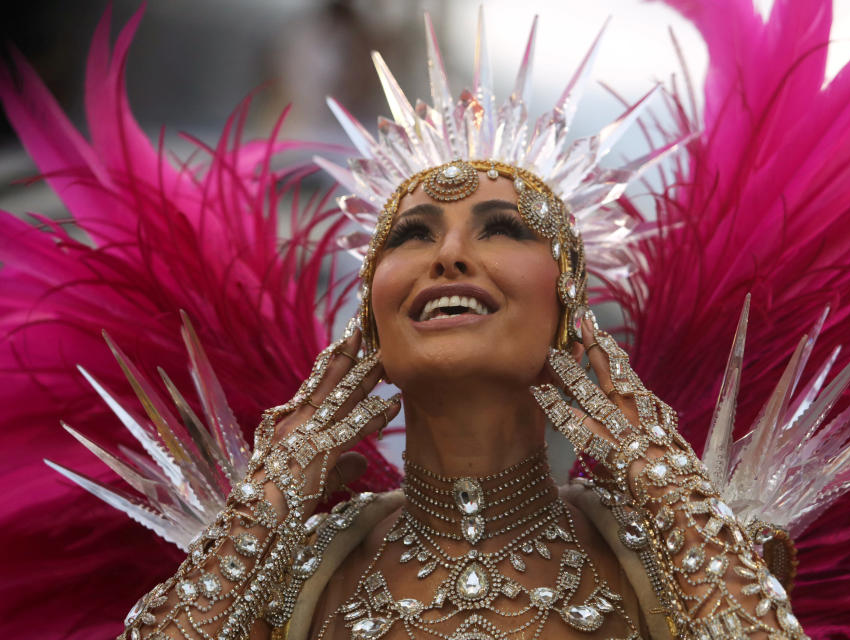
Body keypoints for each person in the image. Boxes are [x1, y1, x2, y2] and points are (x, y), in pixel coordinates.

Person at [116, 11, 806, 639]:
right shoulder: (291, 575)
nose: (447, 256)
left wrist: (661, 478)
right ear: (370, 317)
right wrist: (266, 500)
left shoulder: (668, 559)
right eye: (411, 236)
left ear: (570, 308)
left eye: (503, 229)